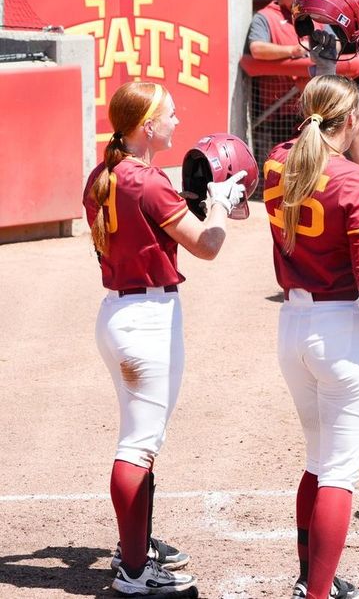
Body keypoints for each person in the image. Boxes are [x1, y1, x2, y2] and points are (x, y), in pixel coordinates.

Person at [84, 82, 248, 596]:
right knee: (139, 445)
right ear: (146, 127)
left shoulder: (102, 174)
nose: (177, 123)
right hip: (147, 320)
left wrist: (193, 199)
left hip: (118, 311)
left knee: (141, 439)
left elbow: (146, 222)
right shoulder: (147, 180)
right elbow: (207, 246)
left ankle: (135, 547)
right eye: (170, 116)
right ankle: (134, 574)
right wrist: (219, 205)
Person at [262, 75, 359, 598]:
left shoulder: (278, 160)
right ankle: (318, 593)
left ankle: (311, 579)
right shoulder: (354, 179)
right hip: (340, 332)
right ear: (351, 119)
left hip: (292, 328)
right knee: (339, 473)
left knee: (316, 459)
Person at [246, 0, 312, 162]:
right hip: (279, 109)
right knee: (286, 163)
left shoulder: (314, 15)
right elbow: (256, 49)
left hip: (313, 103)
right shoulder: (265, 16)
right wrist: (294, 51)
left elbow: (334, 47)